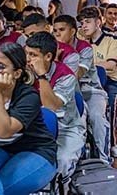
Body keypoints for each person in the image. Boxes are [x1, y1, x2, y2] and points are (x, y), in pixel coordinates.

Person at [0, 42, 57, 195]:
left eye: (1, 67)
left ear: (17, 73)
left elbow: (4, 132)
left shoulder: (29, 96)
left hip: (36, 151)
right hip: (5, 149)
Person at [25, 32, 85, 181]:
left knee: (61, 161)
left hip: (66, 128)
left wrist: (41, 76)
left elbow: (51, 106)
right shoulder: (25, 71)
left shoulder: (66, 76)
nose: (28, 59)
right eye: (27, 53)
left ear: (48, 56)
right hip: (36, 129)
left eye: (33, 55)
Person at [53, 14, 110, 162]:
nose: (57, 34)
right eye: (55, 30)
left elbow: (76, 75)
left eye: (61, 30)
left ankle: (104, 159)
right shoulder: (53, 48)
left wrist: (57, 61)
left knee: (96, 117)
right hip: (69, 92)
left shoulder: (85, 48)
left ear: (72, 32)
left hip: (90, 91)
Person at [79, 6, 117, 146]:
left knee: (110, 106)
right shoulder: (79, 38)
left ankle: (112, 144)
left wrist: (86, 65)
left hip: (110, 81)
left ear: (98, 22)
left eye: (87, 22)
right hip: (84, 81)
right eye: (82, 23)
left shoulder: (112, 40)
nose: (84, 26)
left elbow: (110, 65)